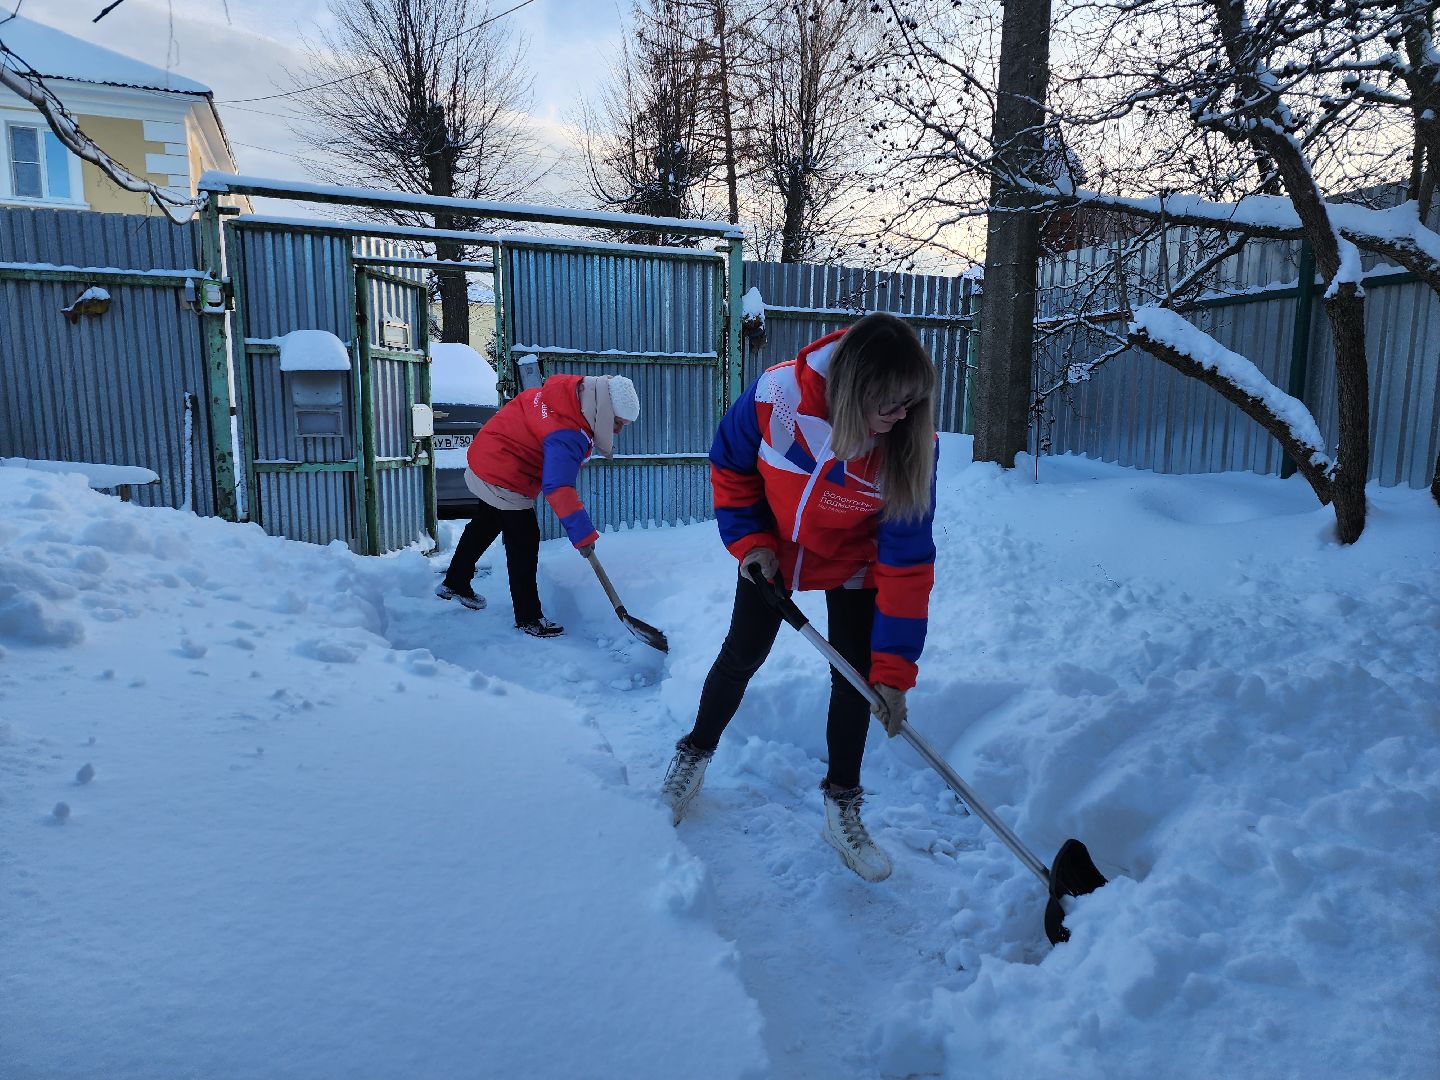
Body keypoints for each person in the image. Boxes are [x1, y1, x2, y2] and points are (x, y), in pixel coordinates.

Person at [660, 312, 938, 882]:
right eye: (890, 405)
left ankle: (842, 803)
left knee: (856, 678)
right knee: (743, 653)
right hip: (776, 553)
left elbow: (907, 562)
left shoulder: (910, 443)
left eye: (911, 403)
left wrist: (894, 670)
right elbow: (730, 467)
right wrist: (751, 543)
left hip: (856, 563)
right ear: (855, 390)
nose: (902, 417)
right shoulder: (777, 397)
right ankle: (693, 753)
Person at [436, 372, 640, 637]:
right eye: (618, 422)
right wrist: (583, 536)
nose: (618, 430)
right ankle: (529, 617)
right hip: (504, 470)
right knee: (524, 541)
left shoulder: (569, 394)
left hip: (489, 451)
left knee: (487, 520)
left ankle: (455, 581)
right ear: (605, 410)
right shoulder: (569, 432)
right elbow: (558, 486)